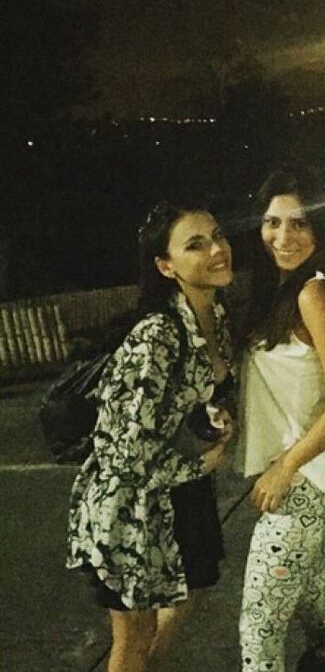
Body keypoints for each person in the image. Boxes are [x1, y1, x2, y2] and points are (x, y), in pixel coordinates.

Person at [66, 201, 235, 672]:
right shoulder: (156, 335)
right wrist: (197, 464)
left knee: (194, 586)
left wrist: (217, 417)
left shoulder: (215, 316)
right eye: (195, 245)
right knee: (133, 637)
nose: (216, 249)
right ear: (166, 266)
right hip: (133, 505)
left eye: (218, 236)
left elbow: (196, 393)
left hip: (183, 494)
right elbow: (121, 451)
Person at [237, 166, 325, 672]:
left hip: (304, 484)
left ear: (320, 229)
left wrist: (285, 467)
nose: (283, 236)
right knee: (321, 622)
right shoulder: (281, 291)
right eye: (273, 223)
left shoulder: (314, 293)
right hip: (301, 481)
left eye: (299, 223)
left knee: (259, 630)